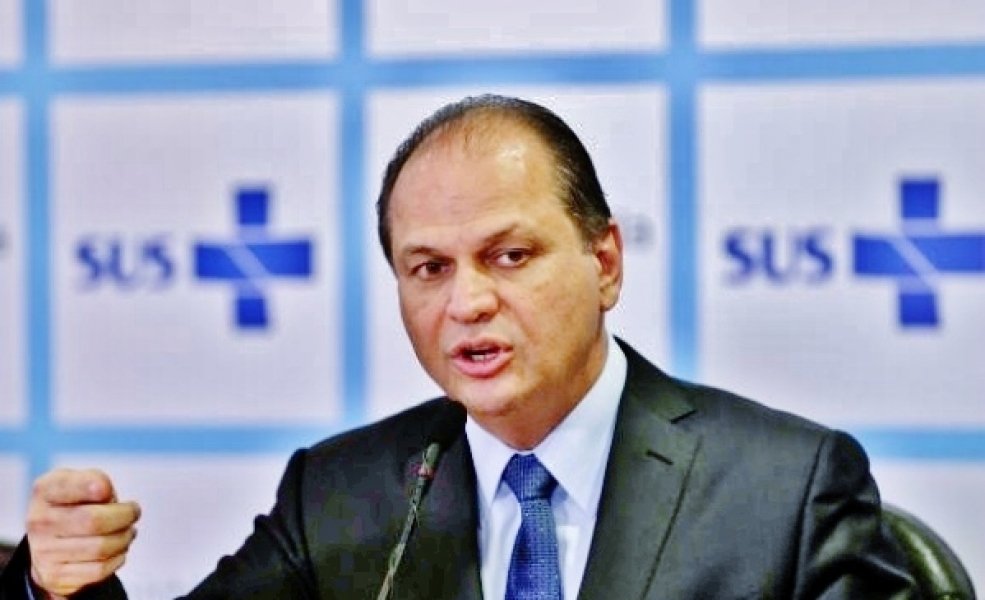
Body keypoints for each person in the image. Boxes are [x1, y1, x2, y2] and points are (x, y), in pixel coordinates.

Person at [1, 94, 917, 599]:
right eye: (428, 269)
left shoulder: (785, 488)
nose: (467, 303)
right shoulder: (343, 494)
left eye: (509, 256)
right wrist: (59, 585)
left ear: (604, 261)